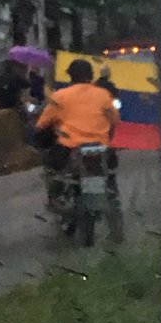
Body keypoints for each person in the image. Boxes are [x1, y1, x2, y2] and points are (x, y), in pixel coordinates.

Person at [35, 58, 118, 209]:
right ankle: (112, 201)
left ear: (71, 76)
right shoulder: (104, 94)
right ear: (91, 75)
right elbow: (114, 121)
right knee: (110, 177)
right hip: (102, 149)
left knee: (52, 167)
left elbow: (42, 124)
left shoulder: (60, 96)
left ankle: (57, 197)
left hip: (70, 150)